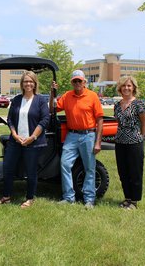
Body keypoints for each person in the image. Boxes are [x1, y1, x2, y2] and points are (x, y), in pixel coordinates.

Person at [0, 71, 50, 208]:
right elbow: (10, 119)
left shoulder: (40, 100)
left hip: (33, 142)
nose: (28, 84)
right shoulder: (17, 99)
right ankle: (6, 197)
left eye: (31, 81)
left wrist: (32, 137)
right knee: (8, 168)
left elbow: (45, 120)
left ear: (35, 83)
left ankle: (30, 198)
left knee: (31, 172)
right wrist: (14, 134)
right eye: (25, 81)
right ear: (22, 84)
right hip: (16, 141)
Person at [50, 70, 104, 209]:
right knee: (65, 164)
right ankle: (69, 197)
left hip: (89, 135)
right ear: (72, 82)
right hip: (72, 135)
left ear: (84, 82)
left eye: (80, 81)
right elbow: (52, 108)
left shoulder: (92, 96)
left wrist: (98, 142)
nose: (77, 83)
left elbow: (99, 119)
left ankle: (89, 199)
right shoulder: (68, 95)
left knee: (89, 168)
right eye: (75, 81)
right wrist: (52, 93)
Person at [114, 76, 145, 210]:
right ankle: (127, 198)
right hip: (120, 142)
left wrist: (141, 136)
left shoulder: (138, 104)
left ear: (133, 88)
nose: (126, 88)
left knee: (135, 172)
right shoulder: (117, 105)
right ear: (120, 88)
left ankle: (134, 201)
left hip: (135, 142)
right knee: (123, 172)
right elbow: (117, 121)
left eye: (129, 86)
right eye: (124, 86)